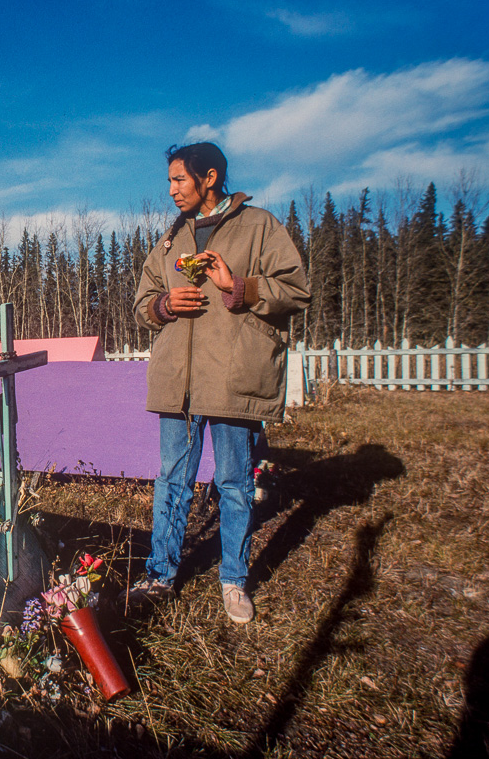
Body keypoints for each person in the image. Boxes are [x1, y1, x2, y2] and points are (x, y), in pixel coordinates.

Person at [129, 142, 310, 624]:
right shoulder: (171, 238)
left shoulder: (259, 227)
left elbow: (296, 290)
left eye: (178, 180)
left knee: (233, 484)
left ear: (209, 178)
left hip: (234, 378)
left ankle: (234, 580)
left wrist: (239, 286)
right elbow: (143, 299)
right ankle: (160, 572)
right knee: (172, 481)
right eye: (169, 181)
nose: (171, 190)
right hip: (179, 383)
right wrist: (165, 305)